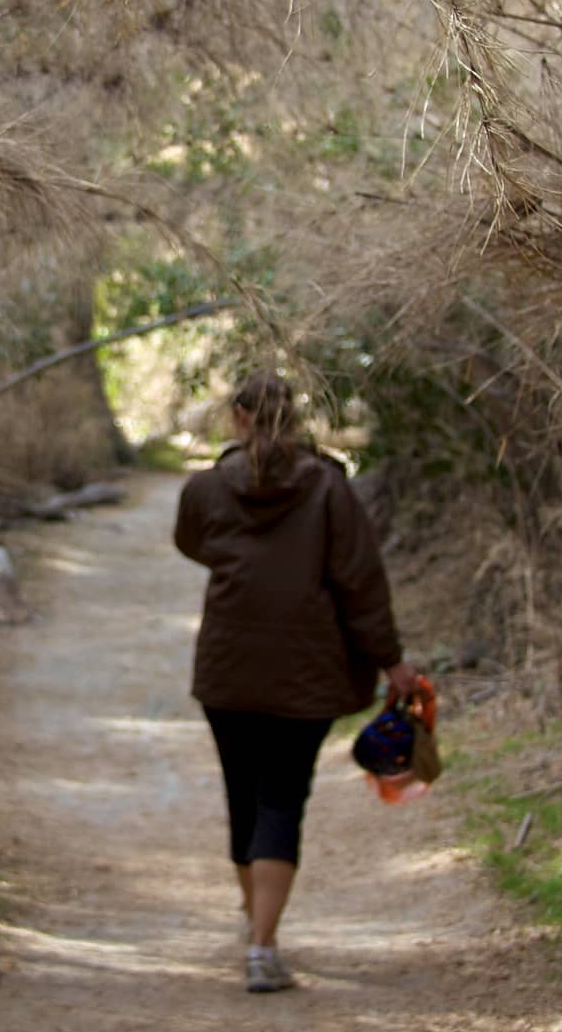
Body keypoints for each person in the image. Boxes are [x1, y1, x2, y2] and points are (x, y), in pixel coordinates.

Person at [173, 371, 419, 992]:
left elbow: (192, 544)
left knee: (242, 799)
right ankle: (262, 946)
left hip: (227, 669)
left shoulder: (206, 489)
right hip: (307, 673)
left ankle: (256, 923)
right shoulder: (329, 488)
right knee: (281, 801)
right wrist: (392, 662)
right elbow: (360, 581)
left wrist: (241, 566)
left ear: (239, 417)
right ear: (296, 419)